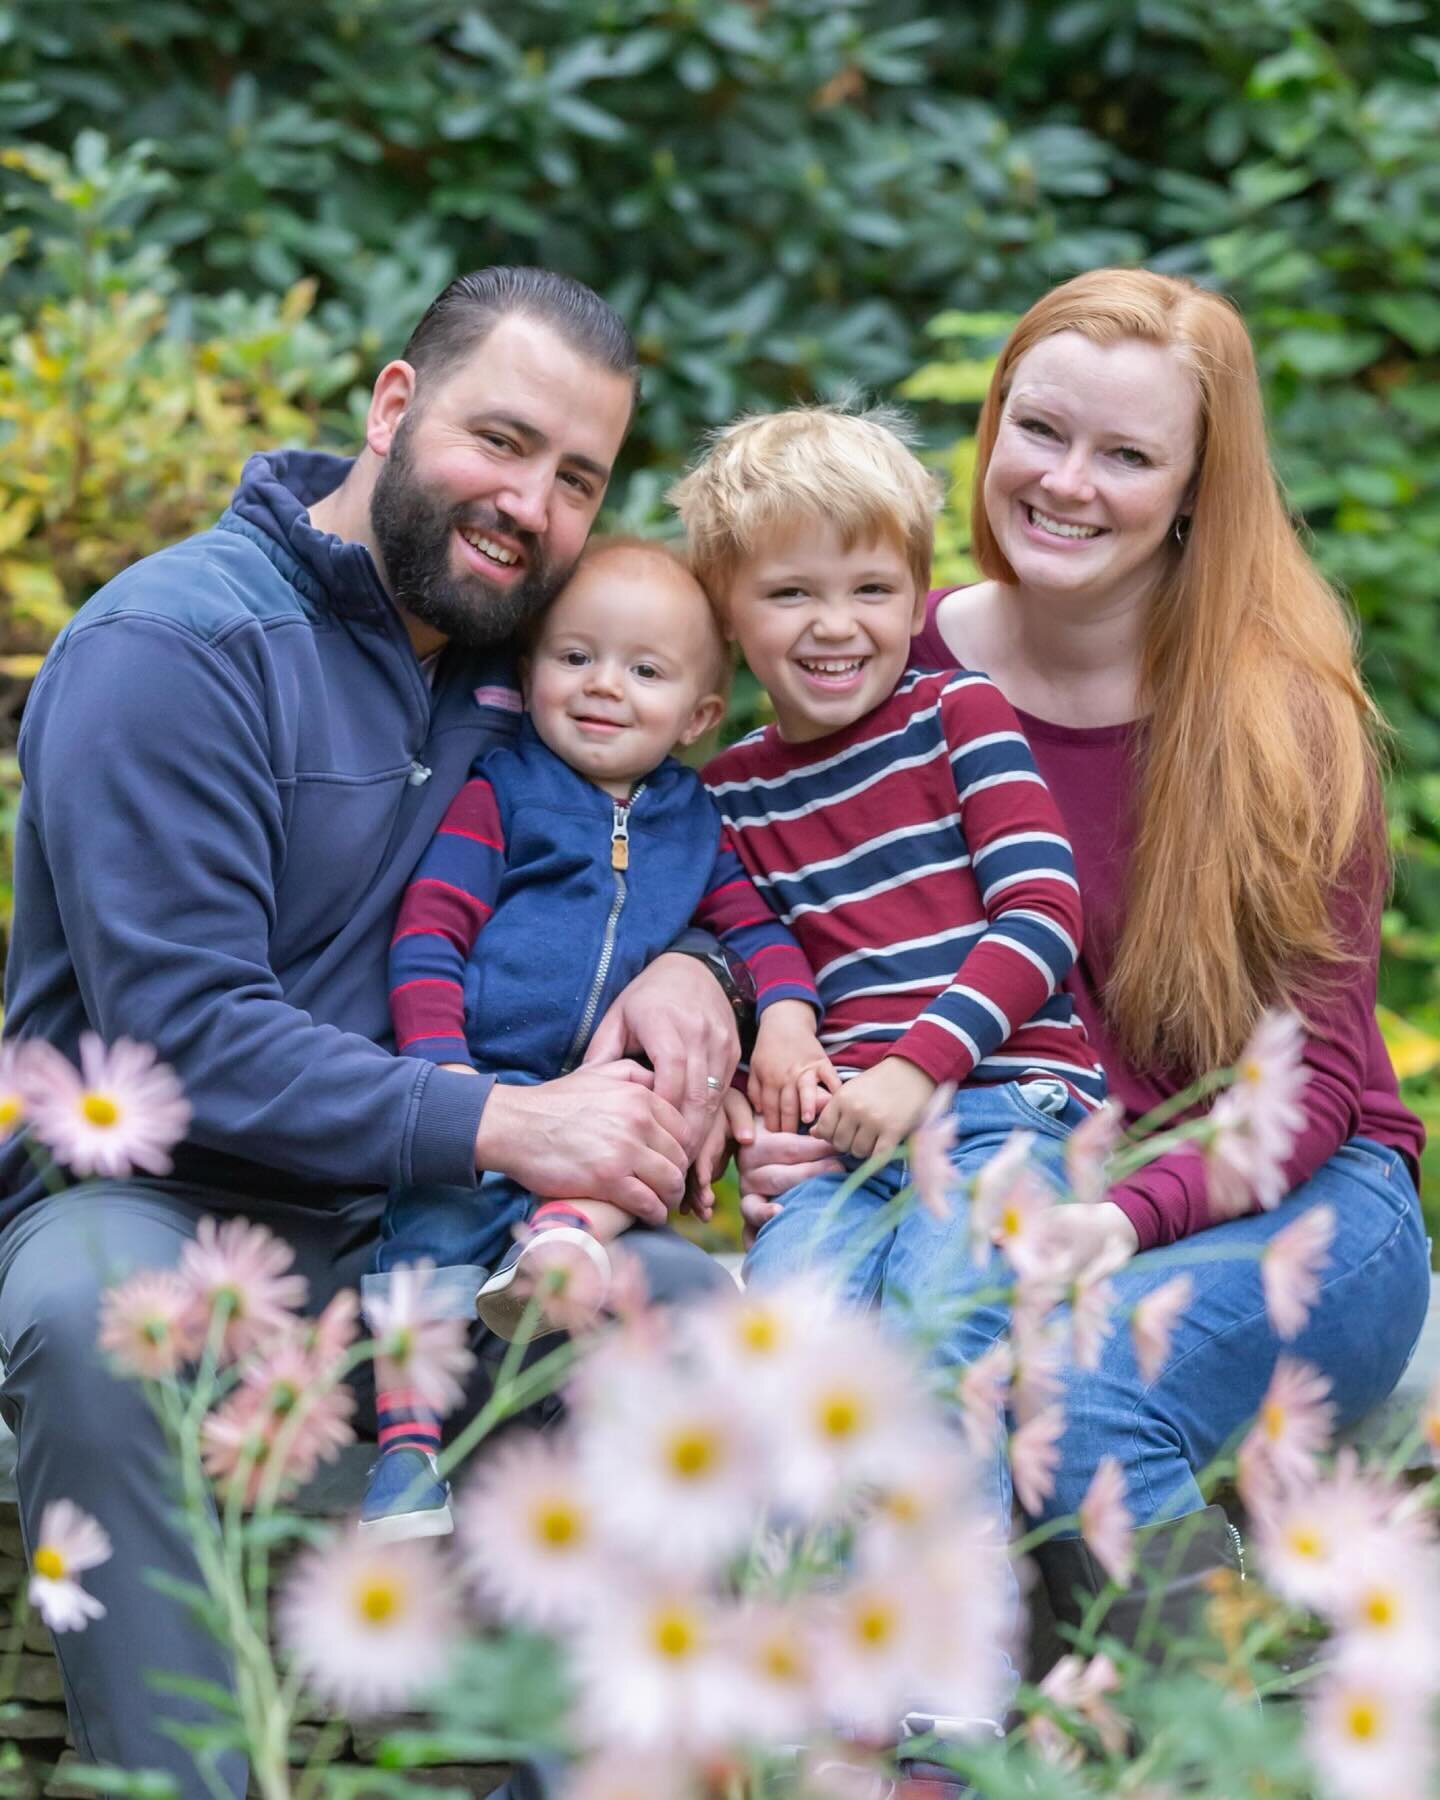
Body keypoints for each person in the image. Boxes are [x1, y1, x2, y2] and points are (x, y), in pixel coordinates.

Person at [0, 267, 743, 1793]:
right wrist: (506, 1121)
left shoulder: (525, 666)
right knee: (94, 1327)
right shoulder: (174, 649)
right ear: (394, 407)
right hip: (155, 1208)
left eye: (577, 479)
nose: (531, 505)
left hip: (440, 1225)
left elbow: (673, 837)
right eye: (503, 441)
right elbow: (186, 1035)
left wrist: (702, 975)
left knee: (682, 1310)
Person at [732, 270, 1430, 1671]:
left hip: (1289, 1208)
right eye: (1039, 430)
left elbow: (1318, 1088)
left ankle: (1233, 1736)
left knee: (1074, 1384)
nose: (1065, 482)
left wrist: (1121, 1220)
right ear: (989, 430)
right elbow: (783, 887)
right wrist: (768, 1054)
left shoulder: (1282, 720)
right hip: (993, 1184)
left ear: (1192, 490)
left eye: (1126, 454)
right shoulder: (885, 646)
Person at [672, 403, 1107, 1762]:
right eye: (790, 591)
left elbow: (1043, 912)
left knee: (935, 1329)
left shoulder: (951, 712)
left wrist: (921, 1068)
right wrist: (785, 1035)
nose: (835, 622)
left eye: (872, 588)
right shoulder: (729, 793)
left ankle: (956, 1676)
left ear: (919, 595)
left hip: (1002, 1094)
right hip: (853, 1133)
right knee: (786, 1347)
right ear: (726, 613)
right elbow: (759, 946)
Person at [364, 534, 824, 1538]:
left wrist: (785, 1017)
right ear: (529, 671)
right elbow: (430, 932)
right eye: (575, 658)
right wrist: (447, 1080)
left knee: (650, 1127)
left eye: (645, 671)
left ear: (701, 716)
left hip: (603, 1113)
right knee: (427, 1253)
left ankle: (565, 1234)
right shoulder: (502, 793)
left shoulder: (695, 824)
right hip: (488, 1091)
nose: (603, 686)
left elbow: (756, 935)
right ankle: (405, 1453)